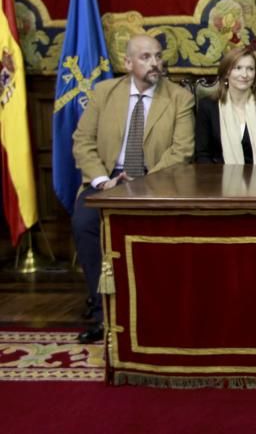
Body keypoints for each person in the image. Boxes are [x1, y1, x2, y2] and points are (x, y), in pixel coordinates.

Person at [71, 34, 194, 343]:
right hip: (107, 180)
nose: (155, 63)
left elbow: (181, 151)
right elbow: (82, 142)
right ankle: (104, 315)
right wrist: (103, 182)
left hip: (157, 181)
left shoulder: (179, 97)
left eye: (157, 56)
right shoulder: (103, 93)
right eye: (145, 57)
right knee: (84, 224)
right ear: (127, 63)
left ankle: (155, 315)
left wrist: (144, 182)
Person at [195, 45, 256, 164]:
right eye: (238, 68)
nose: (245, 74)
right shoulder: (208, 106)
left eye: (250, 69)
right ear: (226, 72)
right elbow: (202, 155)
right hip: (219, 178)